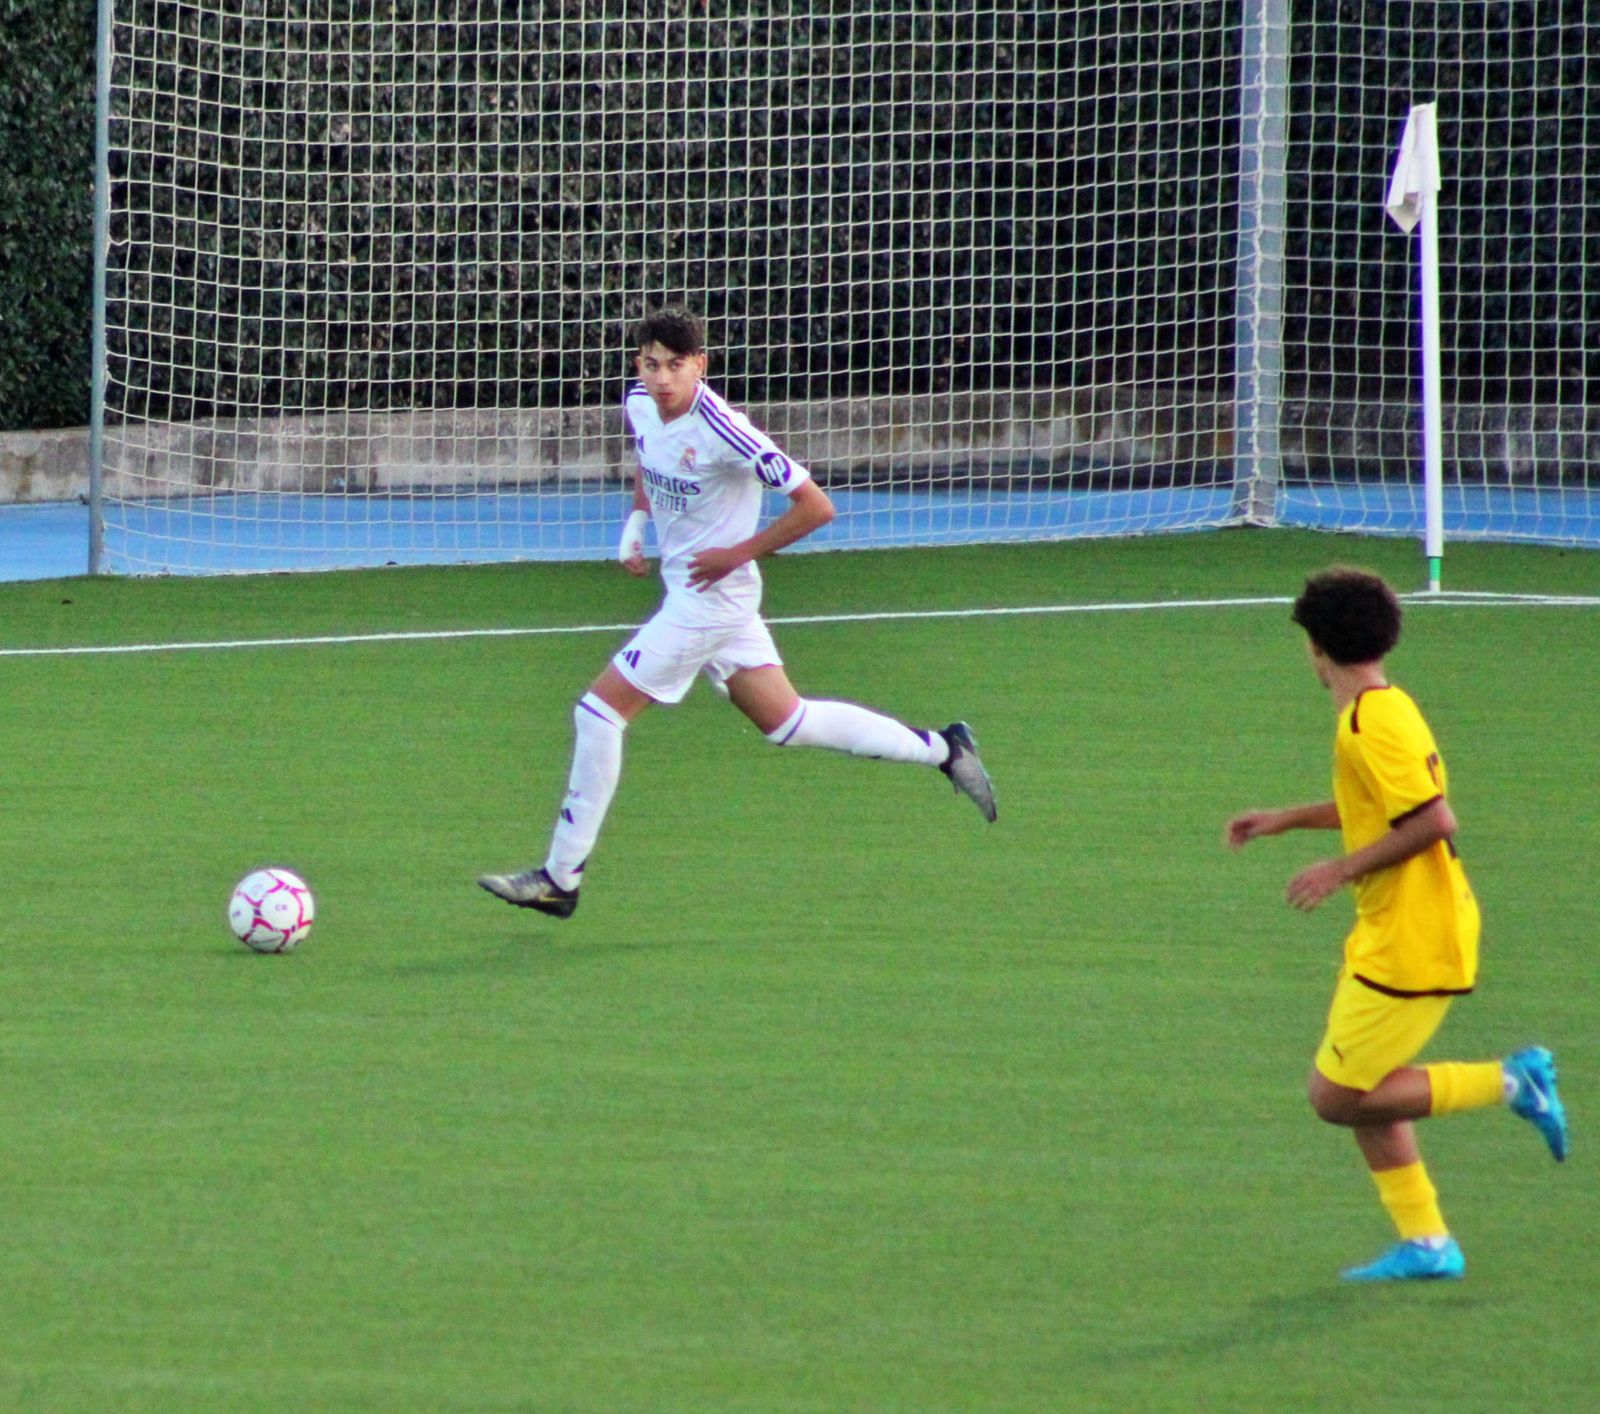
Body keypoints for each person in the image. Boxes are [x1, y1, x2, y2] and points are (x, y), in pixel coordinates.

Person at [479, 307, 996, 918]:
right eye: (652, 365)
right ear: (638, 365)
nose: (663, 378)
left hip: (712, 600)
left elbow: (816, 507)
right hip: (692, 592)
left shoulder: (728, 430)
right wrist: (638, 522)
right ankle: (945, 749)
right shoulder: (641, 404)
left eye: (676, 366)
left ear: (700, 364)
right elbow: (649, 457)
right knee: (788, 721)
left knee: (598, 714)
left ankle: (560, 878)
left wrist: (738, 553)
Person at [1225, 566, 1568, 1282]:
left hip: (1412, 941)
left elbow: (1435, 821)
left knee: (1336, 1097)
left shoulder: (1372, 722)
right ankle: (1428, 1244)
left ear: (1317, 647)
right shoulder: (1381, 709)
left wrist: (1336, 869)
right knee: (1366, 1086)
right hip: (1397, 930)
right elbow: (1382, 806)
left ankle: (1513, 1084)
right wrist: (1286, 820)